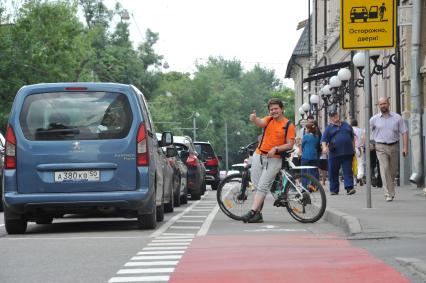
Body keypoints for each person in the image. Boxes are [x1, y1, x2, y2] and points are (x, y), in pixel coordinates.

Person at [242, 98, 296, 223]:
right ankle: (257, 215)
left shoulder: (288, 124)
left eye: (276, 109)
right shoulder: (269, 119)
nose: (274, 111)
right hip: (259, 155)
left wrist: (276, 149)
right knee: (256, 186)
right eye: (271, 109)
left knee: (263, 186)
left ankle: (252, 212)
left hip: (274, 158)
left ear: (282, 109)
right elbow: (260, 122)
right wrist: (254, 119)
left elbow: (290, 144)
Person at [370, 97, 408, 202]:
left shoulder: (397, 118)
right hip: (380, 147)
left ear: (389, 104)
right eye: (381, 104)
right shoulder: (374, 119)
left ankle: (391, 191)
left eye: (385, 103)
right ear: (378, 105)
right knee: (384, 168)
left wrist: (405, 147)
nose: (383, 105)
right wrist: (369, 143)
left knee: (392, 171)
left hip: (394, 146)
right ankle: (387, 193)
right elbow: (367, 132)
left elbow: (404, 132)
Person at [321, 109, 356, 195]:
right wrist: (325, 148)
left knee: (348, 170)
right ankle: (334, 189)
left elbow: (352, 137)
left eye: (336, 114)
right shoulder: (328, 128)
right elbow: (324, 140)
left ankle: (349, 188)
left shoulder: (347, 125)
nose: (335, 116)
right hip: (334, 153)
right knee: (333, 171)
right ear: (330, 118)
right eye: (333, 116)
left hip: (347, 152)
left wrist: (354, 148)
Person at [301, 122, 320, 188]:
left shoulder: (306, 136)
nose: (305, 130)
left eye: (306, 129)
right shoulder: (316, 137)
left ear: (308, 129)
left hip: (305, 156)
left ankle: (304, 187)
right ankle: (312, 186)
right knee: (313, 172)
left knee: (304, 172)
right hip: (314, 156)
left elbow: (302, 145)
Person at [351, 119, 365, 186]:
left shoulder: (350, 130)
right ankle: (360, 176)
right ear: (357, 124)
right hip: (360, 149)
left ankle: (354, 180)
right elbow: (363, 139)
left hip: (352, 149)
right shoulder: (361, 130)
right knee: (360, 163)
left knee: (353, 164)